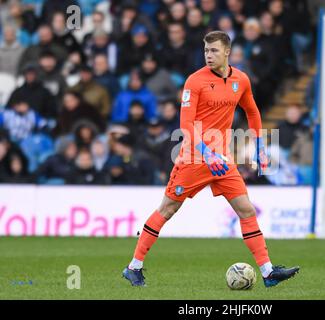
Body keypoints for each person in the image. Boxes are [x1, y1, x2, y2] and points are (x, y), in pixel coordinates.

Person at [122, 31, 299, 288]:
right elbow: (185, 124)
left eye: (214, 50)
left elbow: (252, 111)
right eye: (206, 51)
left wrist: (260, 145)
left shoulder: (241, 79)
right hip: (194, 158)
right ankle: (133, 267)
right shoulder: (195, 81)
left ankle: (268, 272)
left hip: (222, 160)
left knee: (246, 210)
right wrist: (206, 152)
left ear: (227, 51)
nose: (208, 55)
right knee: (168, 209)